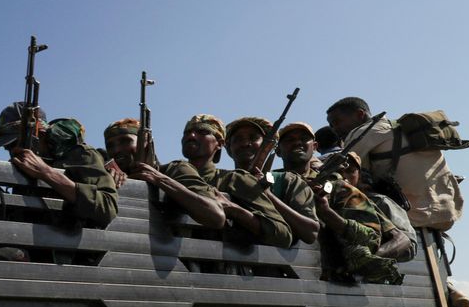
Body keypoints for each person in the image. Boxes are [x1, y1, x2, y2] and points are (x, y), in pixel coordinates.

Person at [326, 96, 462, 230]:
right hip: (448, 213)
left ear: (360, 114)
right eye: (331, 125)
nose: (334, 129)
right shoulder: (408, 130)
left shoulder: (362, 133)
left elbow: (344, 173)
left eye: (337, 122)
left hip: (408, 217)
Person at [0, 103, 118, 229]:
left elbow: (107, 207)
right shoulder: (22, 166)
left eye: (15, 143)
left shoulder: (80, 154)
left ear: (41, 133)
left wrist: (46, 173)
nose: (13, 152)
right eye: (8, 148)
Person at [313, 151, 404, 284]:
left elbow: (402, 239)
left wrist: (368, 260)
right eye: (337, 170)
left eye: (350, 171)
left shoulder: (368, 202)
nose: (343, 175)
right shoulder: (317, 189)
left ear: (359, 176)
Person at [126, 115, 227, 231]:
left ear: (219, 143)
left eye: (203, 132)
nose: (191, 136)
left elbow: (215, 217)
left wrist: (161, 180)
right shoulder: (169, 171)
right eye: (187, 132)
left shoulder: (232, 179)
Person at [226, 117, 318, 245]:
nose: (245, 143)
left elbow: (310, 233)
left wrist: (267, 194)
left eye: (253, 138)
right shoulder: (222, 181)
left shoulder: (288, 181)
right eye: (238, 139)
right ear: (228, 148)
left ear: (267, 146)